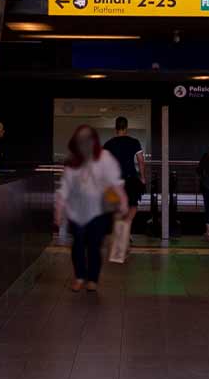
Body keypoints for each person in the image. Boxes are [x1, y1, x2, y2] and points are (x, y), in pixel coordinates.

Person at [54, 125, 126, 293]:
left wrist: (122, 203)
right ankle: (79, 276)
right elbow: (64, 189)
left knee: (94, 245)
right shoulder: (72, 162)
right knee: (78, 244)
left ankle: (92, 279)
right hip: (76, 211)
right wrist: (58, 211)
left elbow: (115, 183)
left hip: (98, 211)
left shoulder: (105, 158)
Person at [102, 117, 146, 234]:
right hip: (131, 178)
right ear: (126, 128)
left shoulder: (108, 144)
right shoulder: (134, 142)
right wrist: (142, 177)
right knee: (133, 205)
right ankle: (127, 225)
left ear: (115, 128)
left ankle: (118, 229)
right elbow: (141, 160)